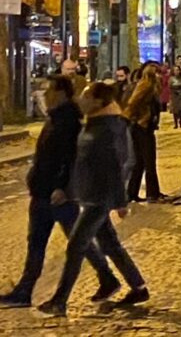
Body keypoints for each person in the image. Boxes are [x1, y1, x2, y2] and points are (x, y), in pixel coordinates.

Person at [0, 76, 119, 308]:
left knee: (72, 241)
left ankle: (104, 277)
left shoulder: (68, 121)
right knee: (47, 241)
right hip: (44, 189)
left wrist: (63, 186)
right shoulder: (56, 118)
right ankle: (27, 288)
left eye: (50, 89)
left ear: (62, 93)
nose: (47, 93)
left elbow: (69, 157)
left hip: (55, 193)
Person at [37, 82, 149, 316]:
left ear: (99, 101)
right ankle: (137, 286)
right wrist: (69, 190)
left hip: (100, 197)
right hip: (90, 194)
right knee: (110, 244)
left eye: (86, 96)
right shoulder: (94, 124)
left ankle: (60, 300)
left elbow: (115, 167)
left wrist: (120, 201)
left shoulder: (109, 128)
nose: (80, 99)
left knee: (76, 245)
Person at [123, 65, 164, 203]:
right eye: (158, 73)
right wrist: (137, 118)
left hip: (144, 126)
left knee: (140, 161)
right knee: (148, 160)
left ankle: (132, 193)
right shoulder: (145, 85)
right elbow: (132, 103)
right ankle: (152, 194)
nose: (161, 76)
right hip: (141, 126)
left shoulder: (152, 87)